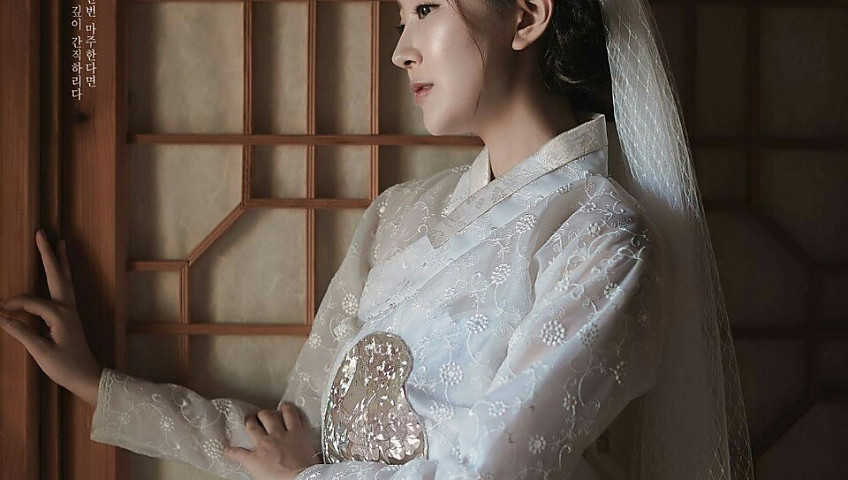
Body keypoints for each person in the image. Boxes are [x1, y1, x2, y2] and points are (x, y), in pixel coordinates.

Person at [0, 0, 755, 478]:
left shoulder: (603, 239)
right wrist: (97, 385)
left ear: (527, 15)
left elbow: (489, 470)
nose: (401, 50)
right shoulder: (400, 214)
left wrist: (307, 479)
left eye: (425, 9)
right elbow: (292, 437)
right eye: (401, 20)